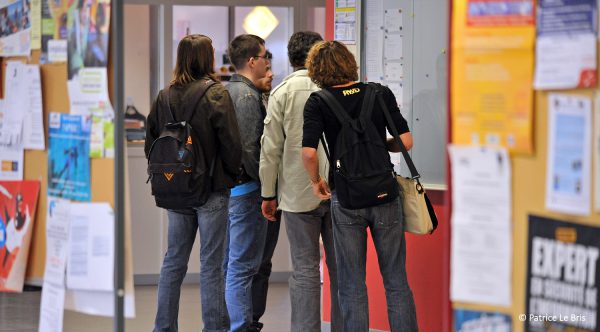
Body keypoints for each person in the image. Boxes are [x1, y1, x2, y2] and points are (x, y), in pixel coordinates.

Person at [301, 40, 418, 332]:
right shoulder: (379, 93)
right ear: (349, 63)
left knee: (351, 282)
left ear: (317, 70)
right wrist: (382, 144)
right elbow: (405, 142)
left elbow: (308, 152)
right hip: (384, 194)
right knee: (396, 280)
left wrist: (316, 182)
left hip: (347, 198)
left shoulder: (318, 102)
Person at [145, 34, 242, 332]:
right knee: (211, 265)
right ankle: (213, 328)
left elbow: (151, 142)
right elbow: (231, 144)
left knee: (173, 262)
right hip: (211, 189)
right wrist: (231, 177)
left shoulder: (164, 96)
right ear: (207, 58)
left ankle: (163, 327)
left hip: (176, 191)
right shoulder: (216, 93)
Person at [259, 31, 341, 332]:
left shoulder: (282, 92)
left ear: (291, 59)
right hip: (338, 191)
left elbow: (270, 150)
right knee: (342, 270)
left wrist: (268, 193)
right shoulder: (337, 88)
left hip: (296, 193)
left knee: (305, 270)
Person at [225, 34, 273, 332]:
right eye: (265, 56)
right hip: (246, 192)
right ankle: (241, 326)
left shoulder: (234, 91)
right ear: (252, 60)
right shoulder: (245, 97)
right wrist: (268, 188)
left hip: (236, 190)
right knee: (242, 267)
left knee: (236, 265)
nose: (268, 62)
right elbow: (250, 149)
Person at [249, 62, 279, 332]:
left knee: (263, 262)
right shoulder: (245, 100)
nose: (271, 74)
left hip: (270, 190)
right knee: (253, 263)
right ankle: (245, 321)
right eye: (266, 67)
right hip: (256, 192)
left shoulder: (272, 99)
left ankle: (253, 320)